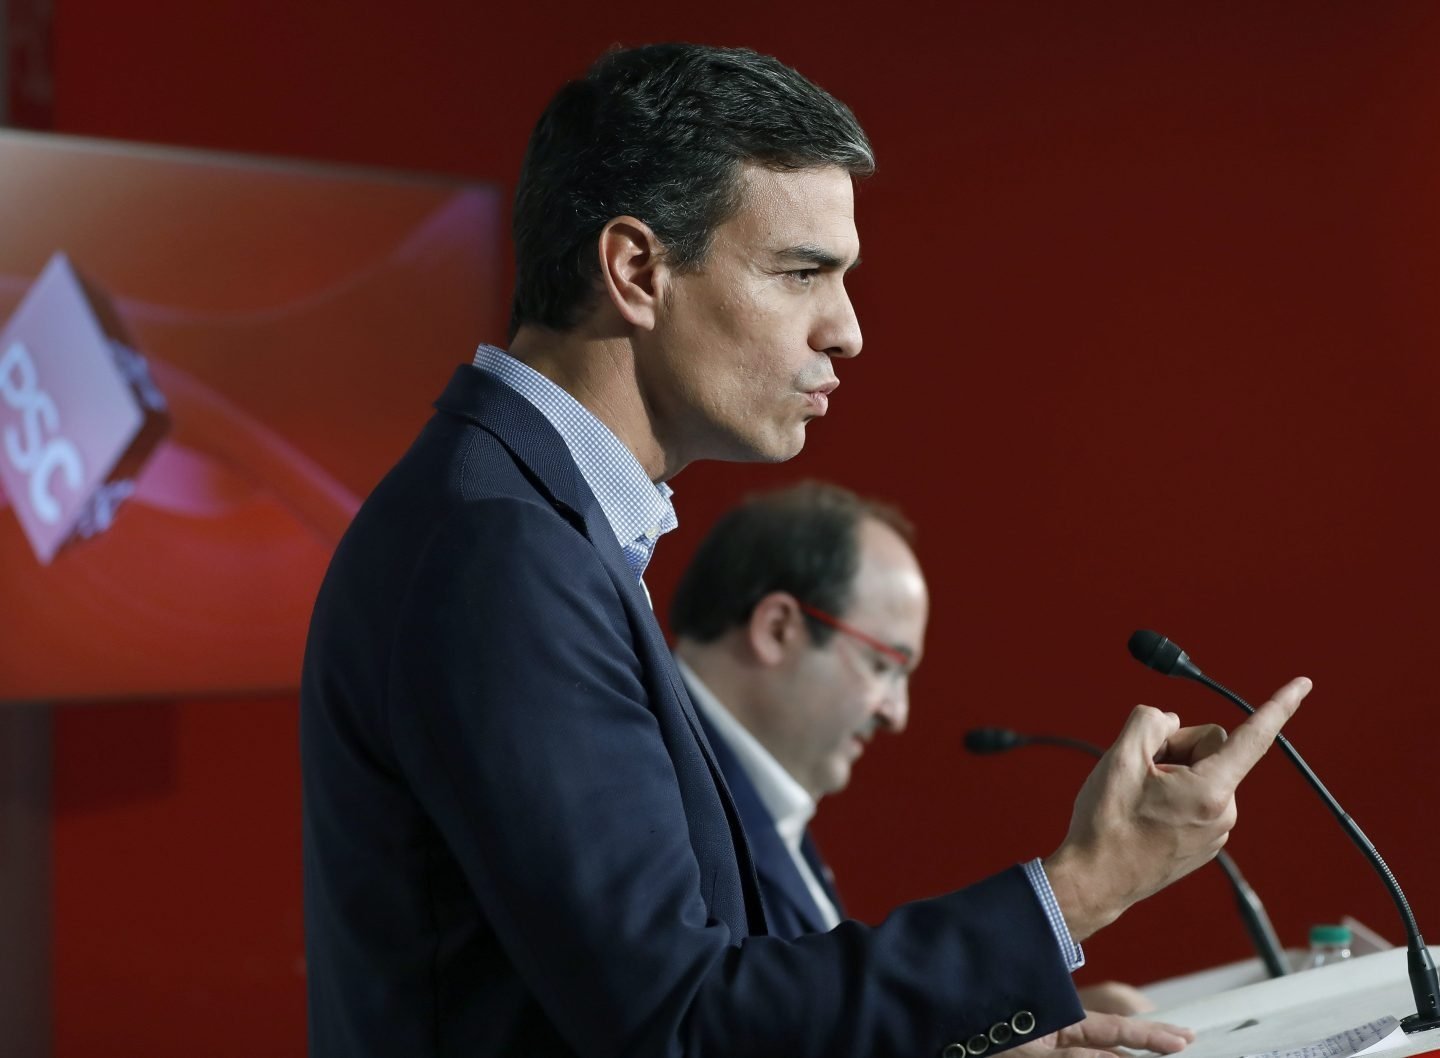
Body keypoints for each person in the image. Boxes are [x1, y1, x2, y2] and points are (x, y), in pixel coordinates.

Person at [299, 42, 1310, 1058]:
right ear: (637, 269)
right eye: (800, 274)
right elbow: (684, 1023)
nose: (850, 331)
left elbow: (697, 989)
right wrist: (1090, 880)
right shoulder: (500, 550)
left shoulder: (526, 520)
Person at [670, 480, 1156, 1015]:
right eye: (884, 666)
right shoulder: (672, 805)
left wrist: (988, 1039)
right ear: (779, 628)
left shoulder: (760, 800)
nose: (896, 714)